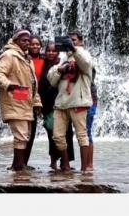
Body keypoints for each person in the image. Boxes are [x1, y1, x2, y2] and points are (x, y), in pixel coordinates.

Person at [0, 29, 43, 171]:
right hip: (14, 100)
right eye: (23, 40)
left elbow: (33, 84)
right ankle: (19, 166)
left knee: (24, 135)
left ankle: (18, 164)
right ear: (15, 41)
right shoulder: (9, 55)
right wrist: (9, 85)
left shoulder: (26, 58)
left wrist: (37, 102)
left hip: (25, 101)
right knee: (21, 135)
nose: (27, 43)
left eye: (28, 40)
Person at [47, 31, 94, 173]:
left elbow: (85, 64)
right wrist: (60, 69)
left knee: (82, 135)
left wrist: (73, 50)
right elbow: (52, 80)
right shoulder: (63, 58)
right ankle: (66, 165)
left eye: (73, 40)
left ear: (80, 42)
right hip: (61, 103)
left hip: (78, 102)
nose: (70, 43)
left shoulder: (85, 54)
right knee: (57, 136)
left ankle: (85, 168)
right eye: (68, 41)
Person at [38, 42, 76, 170]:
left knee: (67, 133)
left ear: (58, 52)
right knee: (51, 134)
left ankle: (65, 162)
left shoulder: (62, 63)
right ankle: (53, 160)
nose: (51, 53)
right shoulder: (43, 64)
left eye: (53, 51)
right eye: (48, 50)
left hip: (63, 103)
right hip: (47, 104)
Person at [23, 36, 44, 169]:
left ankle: (25, 161)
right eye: (32, 44)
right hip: (25, 98)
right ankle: (20, 162)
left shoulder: (45, 60)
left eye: (37, 44)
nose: (35, 46)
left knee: (32, 131)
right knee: (23, 131)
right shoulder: (24, 59)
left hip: (38, 99)